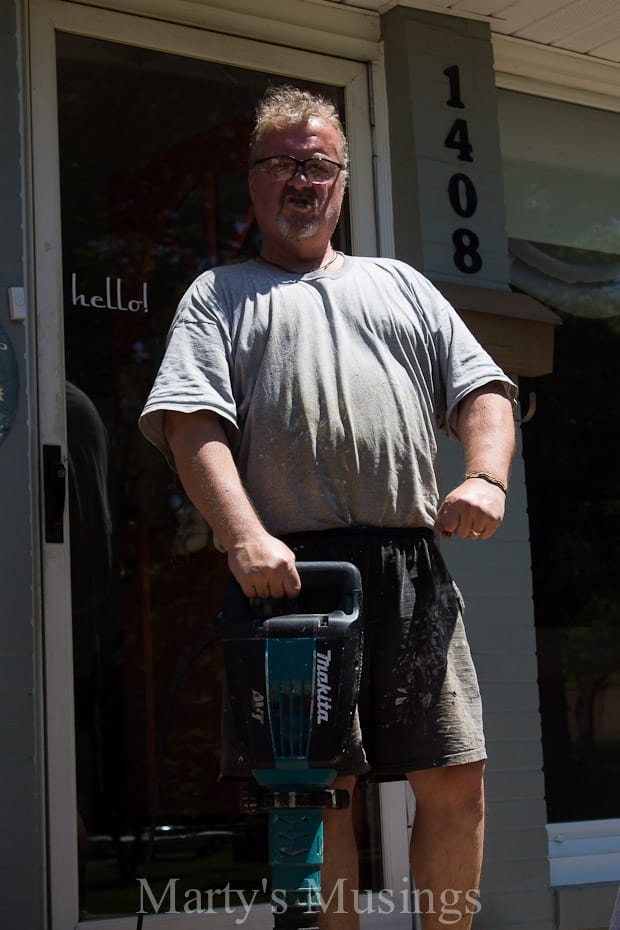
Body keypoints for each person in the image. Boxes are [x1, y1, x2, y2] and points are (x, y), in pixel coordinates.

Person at [139, 84, 517, 930]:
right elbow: (189, 422)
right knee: (321, 796)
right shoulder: (219, 295)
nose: (300, 181)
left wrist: (485, 475)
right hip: (293, 582)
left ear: (342, 182)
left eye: (317, 165)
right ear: (254, 182)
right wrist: (241, 538)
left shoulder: (403, 287)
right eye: (281, 165)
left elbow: (484, 390)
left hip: (413, 568)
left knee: (457, 779)